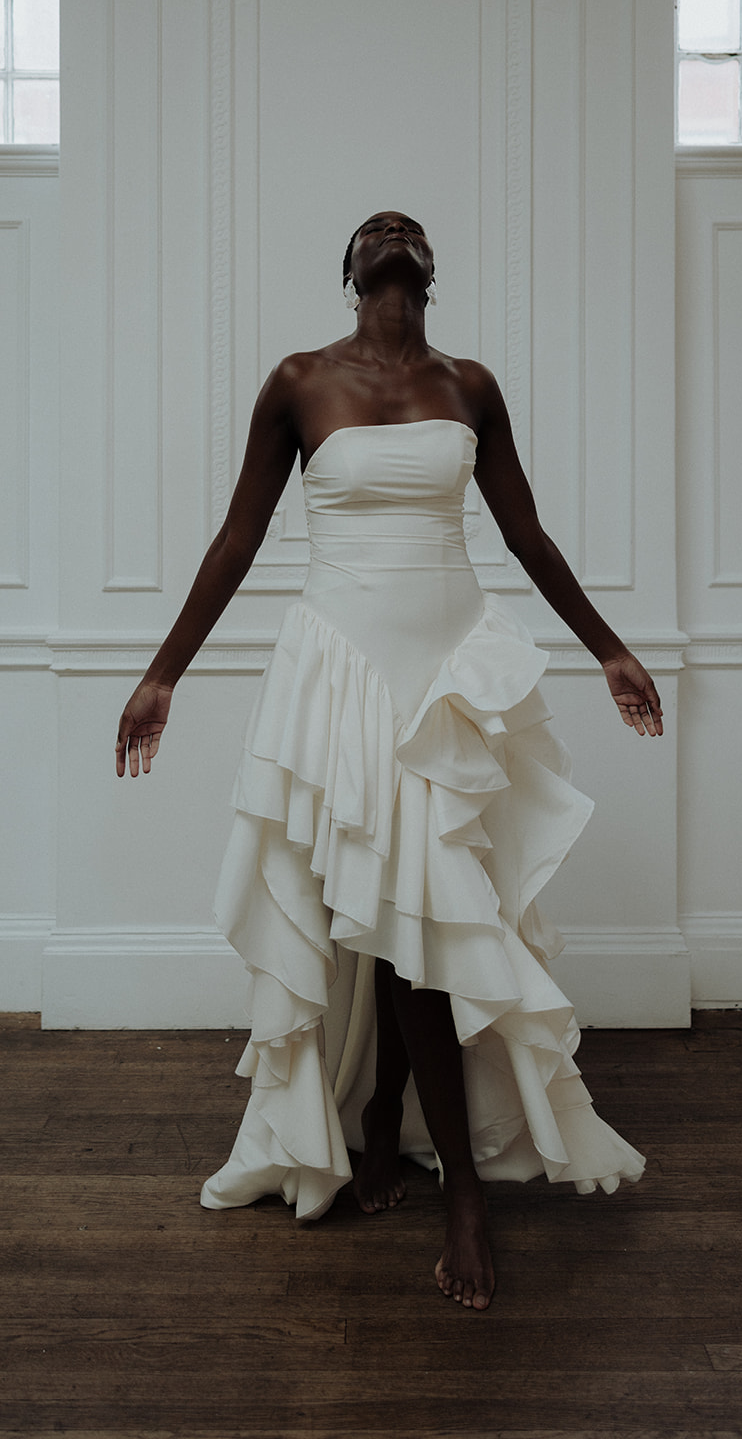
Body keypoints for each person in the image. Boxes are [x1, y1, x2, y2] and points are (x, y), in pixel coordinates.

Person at [115, 211, 662, 1312]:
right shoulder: (299, 381)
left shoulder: (469, 386)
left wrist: (609, 647)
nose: (391, 231)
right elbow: (237, 537)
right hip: (344, 666)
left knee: (414, 903)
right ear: (352, 270)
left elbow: (526, 536)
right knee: (388, 900)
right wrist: (162, 672)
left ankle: (403, 1139)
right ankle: (435, 1171)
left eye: (406, 228)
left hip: (447, 670)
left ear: (428, 270)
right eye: (373, 230)